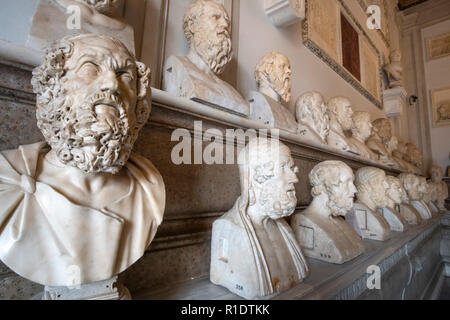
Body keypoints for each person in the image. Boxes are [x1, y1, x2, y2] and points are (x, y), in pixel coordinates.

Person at [0, 34, 165, 287]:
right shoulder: (7, 180)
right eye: (90, 68)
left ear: (138, 105)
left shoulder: (149, 187)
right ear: (55, 86)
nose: (111, 84)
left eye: (125, 76)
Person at [210, 137, 308, 299]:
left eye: (291, 168)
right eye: (284, 167)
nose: (294, 178)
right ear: (259, 174)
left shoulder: (282, 227)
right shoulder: (228, 227)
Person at [163, 0, 249, 116]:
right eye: (216, 17)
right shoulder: (177, 67)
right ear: (193, 25)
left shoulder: (232, 92)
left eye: (226, 21)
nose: (225, 25)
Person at [291, 161, 364, 264]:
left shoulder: (338, 219)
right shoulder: (303, 221)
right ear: (325, 186)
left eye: (352, 183)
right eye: (347, 182)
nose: (354, 190)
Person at [249, 52, 297, 133]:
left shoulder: (289, 116)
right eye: (283, 66)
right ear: (268, 69)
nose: (289, 71)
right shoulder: (255, 101)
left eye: (289, 67)